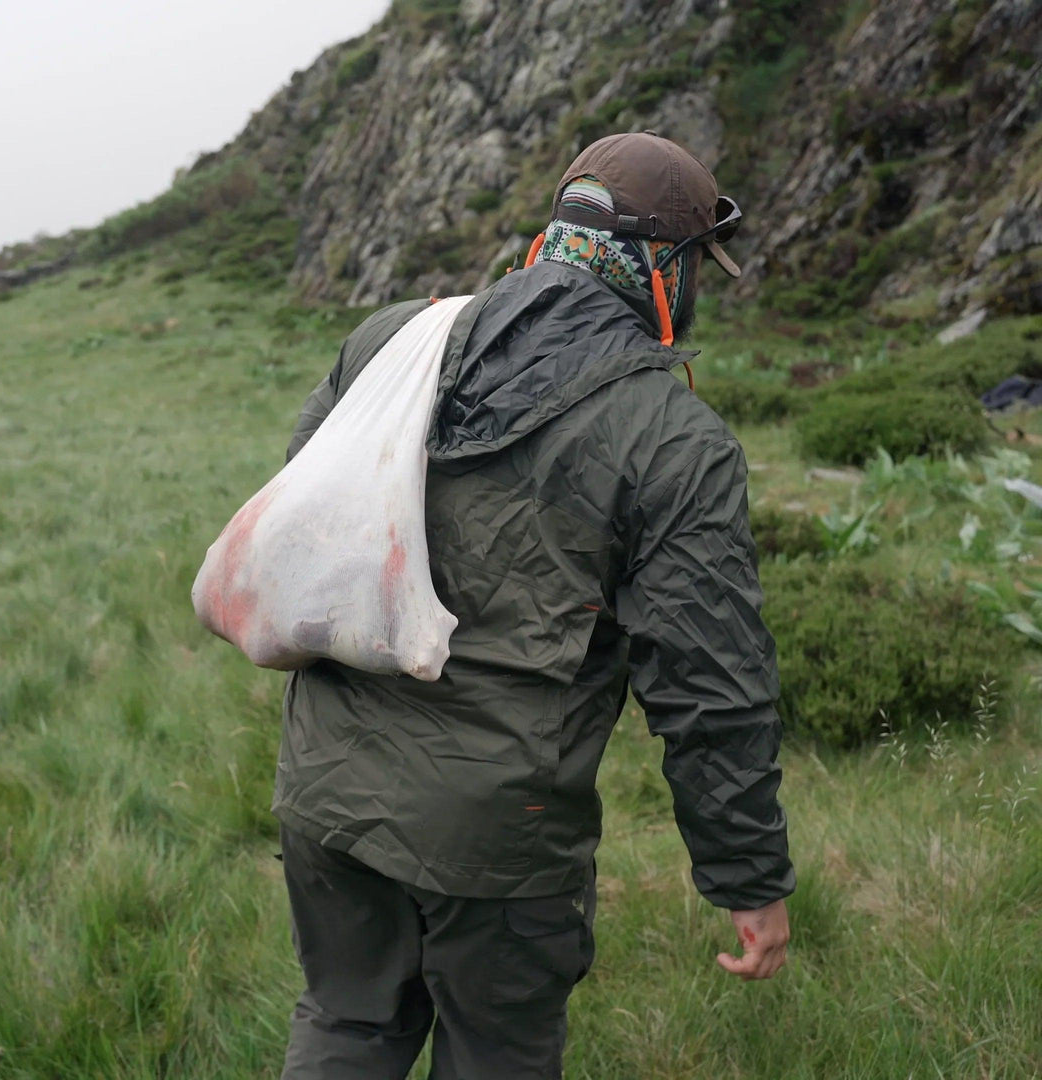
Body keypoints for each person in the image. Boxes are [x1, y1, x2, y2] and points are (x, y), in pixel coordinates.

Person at [274, 131, 794, 1080]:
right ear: (663, 268)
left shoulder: (394, 340)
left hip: (326, 790)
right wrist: (749, 877)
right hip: (497, 837)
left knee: (347, 1023)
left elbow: (300, 522)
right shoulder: (674, 438)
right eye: (696, 269)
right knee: (498, 1055)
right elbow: (709, 683)